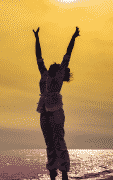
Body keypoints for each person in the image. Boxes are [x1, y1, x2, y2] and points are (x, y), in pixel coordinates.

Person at [33, 26, 80, 180]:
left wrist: (73, 37)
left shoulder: (59, 75)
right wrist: (37, 38)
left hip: (57, 111)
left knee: (59, 140)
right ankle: (53, 173)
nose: (54, 64)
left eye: (56, 64)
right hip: (44, 112)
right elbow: (38, 57)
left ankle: (64, 173)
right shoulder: (44, 73)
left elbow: (68, 53)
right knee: (49, 143)